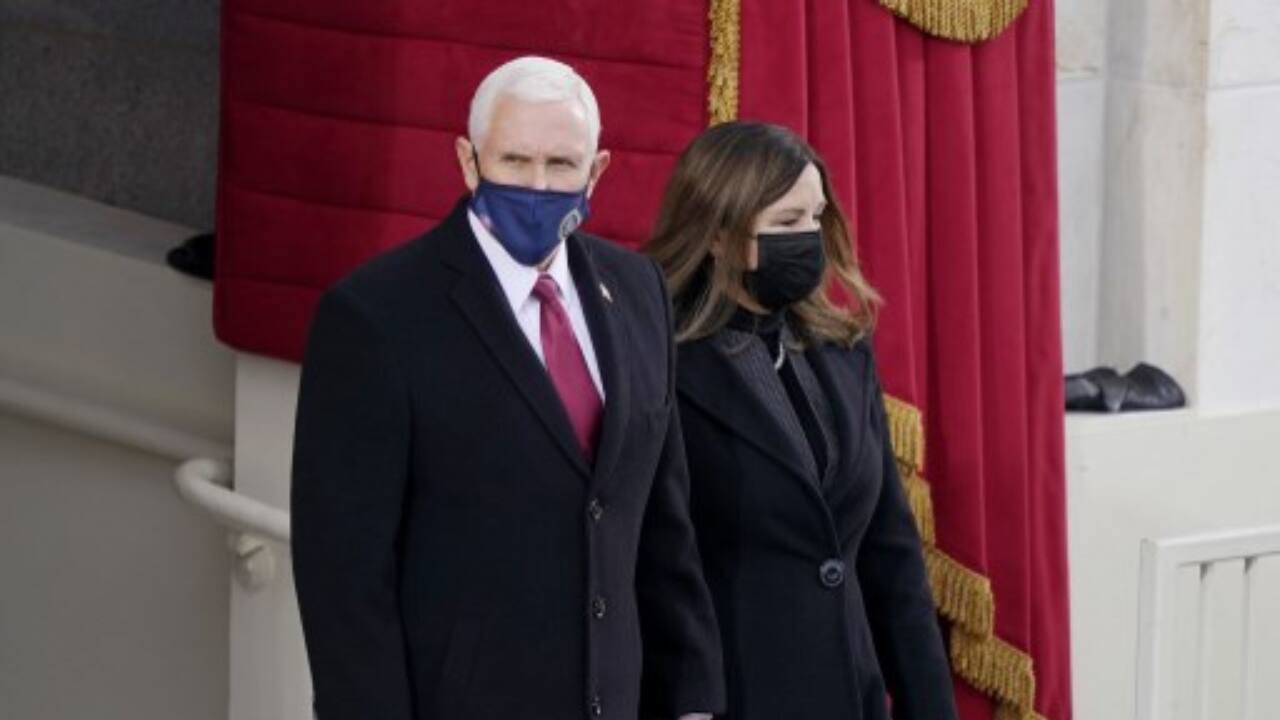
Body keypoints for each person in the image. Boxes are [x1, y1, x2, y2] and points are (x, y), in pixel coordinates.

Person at [290, 56, 723, 720]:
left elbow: (660, 524)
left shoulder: (638, 292)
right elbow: (344, 580)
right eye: (515, 162)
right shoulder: (376, 315)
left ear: (597, 171)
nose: (538, 186)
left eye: (561, 166)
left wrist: (693, 699)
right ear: (469, 163)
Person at [647, 121, 958, 720]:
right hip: (734, 697)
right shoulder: (660, 363)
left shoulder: (844, 352)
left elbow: (892, 563)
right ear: (717, 233)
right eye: (787, 223)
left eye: (815, 217)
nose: (810, 237)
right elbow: (654, 567)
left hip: (851, 697)